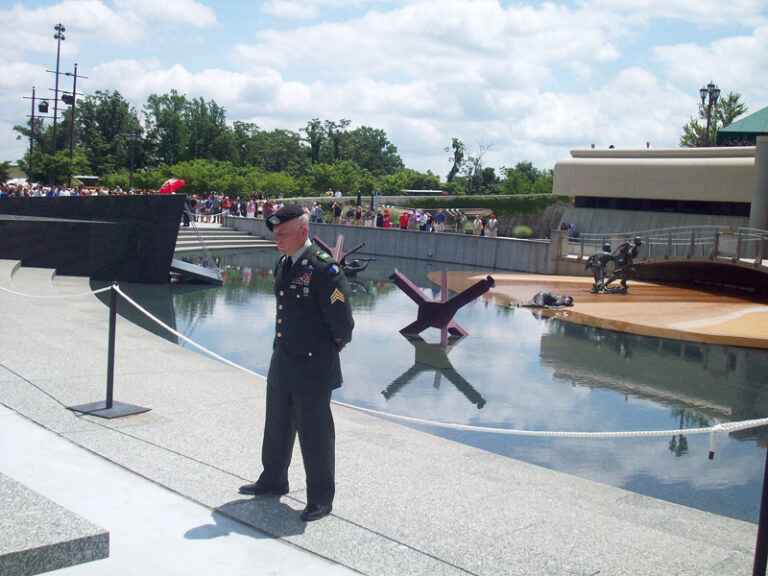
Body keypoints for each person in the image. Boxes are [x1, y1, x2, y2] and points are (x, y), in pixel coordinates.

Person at [239, 205, 354, 523]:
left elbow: (342, 324)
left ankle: (320, 498)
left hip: (313, 367)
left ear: (303, 231)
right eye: (274, 234)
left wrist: (323, 353)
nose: (277, 239)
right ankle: (273, 479)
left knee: (314, 434)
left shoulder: (322, 268)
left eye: (283, 234)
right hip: (284, 361)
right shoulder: (284, 263)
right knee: (276, 425)